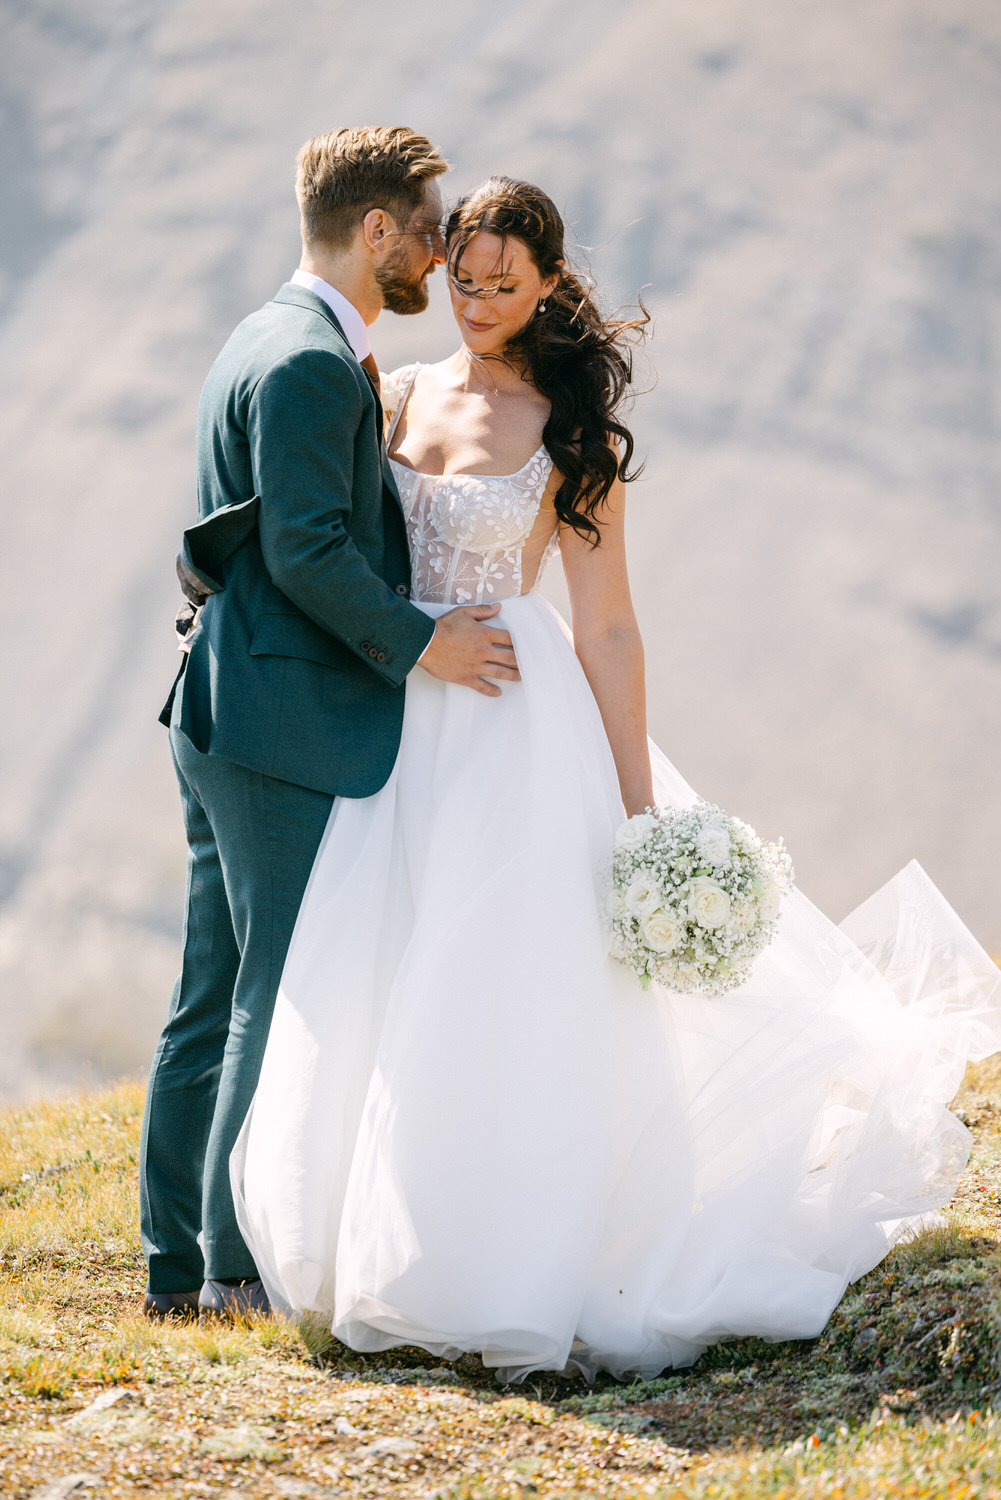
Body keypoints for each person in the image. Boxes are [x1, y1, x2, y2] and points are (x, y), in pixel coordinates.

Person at [232, 177, 1001, 1380]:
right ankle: (372, 1244)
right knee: (378, 972)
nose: (477, 303)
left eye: (503, 284)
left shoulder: (571, 436)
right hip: (391, 720)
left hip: (510, 725)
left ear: (548, 286)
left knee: (499, 989)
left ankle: (500, 1267)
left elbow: (608, 633)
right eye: (465, 280)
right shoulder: (387, 393)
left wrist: (637, 805)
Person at [140, 129, 523, 1322]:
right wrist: (423, 641)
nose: (437, 255)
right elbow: (305, 547)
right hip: (277, 719)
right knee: (273, 985)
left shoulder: (271, 331)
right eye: (425, 230)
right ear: (375, 233)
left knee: (212, 990)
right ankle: (231, 1268)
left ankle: (172, 1266)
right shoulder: (311, 361)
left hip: (228, 707)